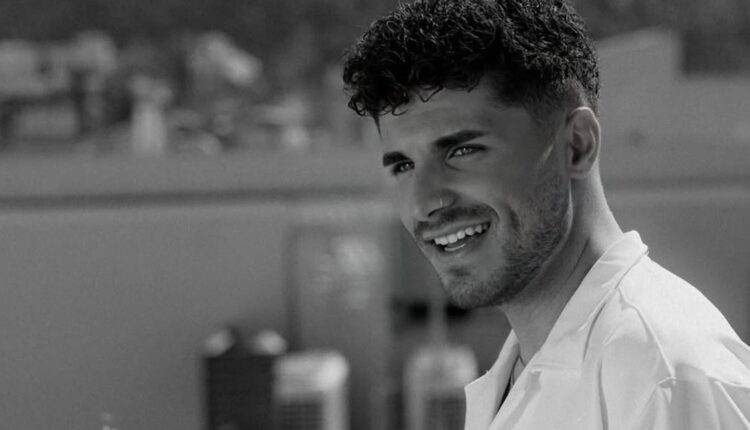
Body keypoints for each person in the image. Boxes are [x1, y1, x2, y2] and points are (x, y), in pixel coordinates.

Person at [341, 0, 750, 428]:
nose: (423, 202)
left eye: (462, 151)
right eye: (404, 165)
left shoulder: (662, 380)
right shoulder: (536, 361)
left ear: (577, 145)